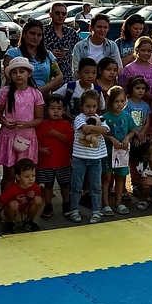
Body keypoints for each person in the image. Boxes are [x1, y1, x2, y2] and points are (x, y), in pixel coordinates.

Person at [0, 58, 44, 183]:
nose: (18, 75)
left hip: (27, 138)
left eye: (21, 71)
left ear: (29, 73)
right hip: (8, 137)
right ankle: (7, 201)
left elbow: (40, 118)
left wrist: (27, 124)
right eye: (14, 72)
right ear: (10, 75)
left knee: (26, 174)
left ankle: (24, 201)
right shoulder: (4, 93)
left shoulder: (36, 94)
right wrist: (5, 122)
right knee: (9, 174)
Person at [68, 91, 109, 225]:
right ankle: (74, 210)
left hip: (96, 158)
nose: (91, 110)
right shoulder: (79, 118)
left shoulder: (100, 117)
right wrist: (96, 128)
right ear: (82, 107)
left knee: (96, 186)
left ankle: (96, 211)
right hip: (80, 157)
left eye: (94, 106)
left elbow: (106, 130)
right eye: (88, 106)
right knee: (76, 185)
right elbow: (84, 129)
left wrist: (94, 128)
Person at [35, 96, 73, 219]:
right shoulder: (42, 125)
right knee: (48, 186)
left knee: (65, 185)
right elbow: (36, 141)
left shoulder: (66, 125)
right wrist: (40, 150)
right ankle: (48, 205)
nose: (55, 111)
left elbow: (70, 140)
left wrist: (55, 134)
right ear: (47, 110)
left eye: (59, 108)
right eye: (52, 108)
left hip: (63, 162)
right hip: (46, 162)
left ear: (63, 110)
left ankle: (66, 204)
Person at [100, 86, 136, 216]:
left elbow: (132, 130)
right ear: (110, 101)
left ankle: (118, 203)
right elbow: (100, 133)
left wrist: (127, 137)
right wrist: (111, 138)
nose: (120, 104)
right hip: (108, 153)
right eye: (117, 101)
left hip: (122, 154)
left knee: (121, 177)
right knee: (106, 178)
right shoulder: (104, 117)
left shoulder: (126, 116)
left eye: (122, 101)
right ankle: (105, 204)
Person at [6, 21, 64, 98]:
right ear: (24, 34)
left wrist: (43, 89)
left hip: (43, 96)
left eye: (39, 35)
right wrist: (30, 92)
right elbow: (9, 78)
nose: (36, 37)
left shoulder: (48, 55)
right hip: (19, 97)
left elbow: (59, 76)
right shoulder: (13, 53)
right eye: (32, 34)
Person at [0, 159, 45, 233]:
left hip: (24, 213)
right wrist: (14, 198)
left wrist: (32, 197)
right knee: (14, 204)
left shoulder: (35, 187)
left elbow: (38, 199)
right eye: (26, 176)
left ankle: (29, 221)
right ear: (18, 177)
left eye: (33, 175)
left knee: (38, 199)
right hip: (10, 214)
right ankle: (10, 223)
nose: (31, 179)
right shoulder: (12, 189)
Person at [119, 36, 152, 113]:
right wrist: (150, 96)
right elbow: (125, 91)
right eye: (143, 50)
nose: (146, 53)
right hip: (130, 110)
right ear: (136, 50)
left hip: (149, 109)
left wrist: (148, 112)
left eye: (149, 51)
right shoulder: (129, 69)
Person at [42, 2, 78, 83]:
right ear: (50, 14)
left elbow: (82, 47)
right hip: (47, 74)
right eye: (57, 13)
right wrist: (49, 53)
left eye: (63, 13)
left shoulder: (71, 32)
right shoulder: (42, 31)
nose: (60, 16)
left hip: (67, 75)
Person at [124, 76, 151, 174]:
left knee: (140, 162)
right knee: (129, 161)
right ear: (131, 89)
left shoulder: (145, 105)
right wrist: (136, 134)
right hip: (130, 138)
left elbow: (147, 122)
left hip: (141, 139)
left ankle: (138, 184)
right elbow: (127, 121)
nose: (140, 91)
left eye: (143, 88)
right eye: (137, 88)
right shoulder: (127, 104)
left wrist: (141, 135)